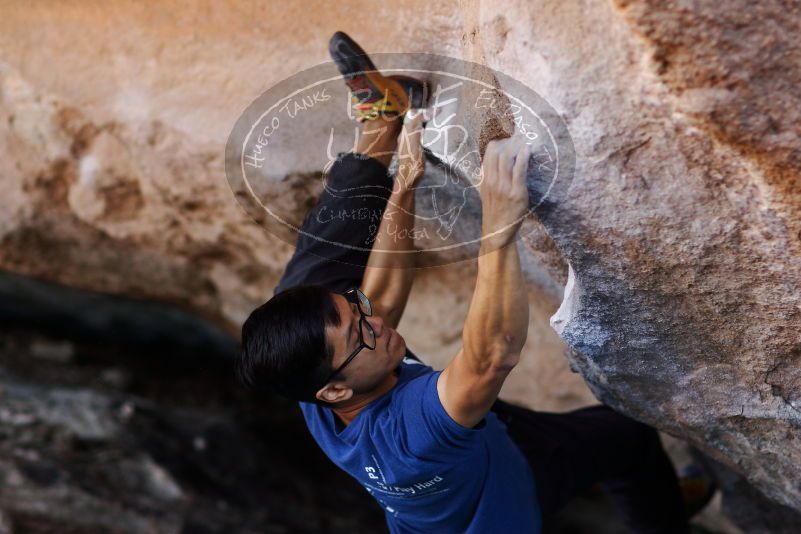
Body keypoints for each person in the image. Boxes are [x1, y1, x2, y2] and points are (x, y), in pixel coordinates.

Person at [238, 31, 705, 533]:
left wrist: (407, 182)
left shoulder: (322, 385)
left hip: (479, 434)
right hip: (511, 488)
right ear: (333, 391)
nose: (376, 319)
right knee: (625, 440)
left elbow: (384, 299)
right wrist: (498, 224)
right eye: (362, 332)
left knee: (304, 287)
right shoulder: (411, 435)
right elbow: (491, 356)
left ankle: (382, 126)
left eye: (359, 310)